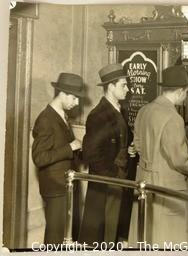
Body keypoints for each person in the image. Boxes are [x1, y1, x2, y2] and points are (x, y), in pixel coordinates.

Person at [128, 65, 188, 246]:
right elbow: (180, 160)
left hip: (143, 181)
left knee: (145, 236)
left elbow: (138, 145)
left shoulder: (144, 111)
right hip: (167, 188)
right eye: (186, 92)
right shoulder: (173, 118)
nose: (186, 96)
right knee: (168, 240)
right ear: (181, 91)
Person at [79, 63, 130, 245]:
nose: (128, 89)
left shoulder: (120, 110)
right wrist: (112, 176)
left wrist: (127, 149)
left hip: (118, 180)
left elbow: (119, 141)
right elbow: (91, 153)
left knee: (112, 229)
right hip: (106, 182)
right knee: (101, 233)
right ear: (111, 86)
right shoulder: (98, 115)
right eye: (123, 85)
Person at [32, 72, 85, 244]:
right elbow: (39, 157)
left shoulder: (61, 115)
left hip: (66, 186)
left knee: (66, 236)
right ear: (62, 94)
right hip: (55, 189)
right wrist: (69, 148)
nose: (77, 103)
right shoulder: (46, 119)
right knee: (54, 239)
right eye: (75, 98)